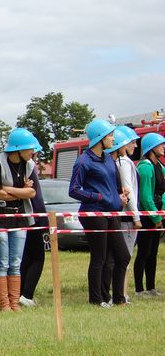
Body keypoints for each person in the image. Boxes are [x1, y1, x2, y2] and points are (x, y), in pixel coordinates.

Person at [69, 119, 130, 308]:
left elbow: (110, 187)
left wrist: (118, 197)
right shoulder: (83, 162)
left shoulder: (109, 160)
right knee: (99, 258)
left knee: (122, 256)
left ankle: (117, 298)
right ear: (99, 138)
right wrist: (98, 197)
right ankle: (97, 299)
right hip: (94, 214)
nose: (113, 138)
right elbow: (74, 190)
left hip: (111, 213)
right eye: (110, 135)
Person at [0, 128, 39, 312]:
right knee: (2, 263)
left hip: (19, 218)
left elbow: (31, 193)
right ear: (18, 149)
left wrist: (9, 190)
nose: (33, 152)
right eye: (30, 149)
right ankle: (4, 305)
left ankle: (14, 304)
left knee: (15, 263)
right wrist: (20, 191)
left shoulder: (29, 165)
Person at [107, 126, 141, 302]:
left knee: (121, 258)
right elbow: (130, 191)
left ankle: (121, 294)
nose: (135, 145)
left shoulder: (123, 162)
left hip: (123, 215)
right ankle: (121, 294)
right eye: (132, 142)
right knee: (124, 257)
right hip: (127, 217)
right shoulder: (124, 163)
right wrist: (136, 216)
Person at [134, 132, 165, 297]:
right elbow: (146, 197)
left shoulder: (160, 165)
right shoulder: (145, 167)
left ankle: (151, 288)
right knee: (144, 253)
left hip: (158, 213)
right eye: (161, 144)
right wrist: (156, 218)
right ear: (151, 148)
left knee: (153, 253)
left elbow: (163, 192)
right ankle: (139, 290)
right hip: (148, 216)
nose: (163, 147)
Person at [19, 164, 46, 307]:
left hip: (30, 217)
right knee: (38, 258)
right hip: (33, 218)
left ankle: (21, 294)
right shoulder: (28, 166)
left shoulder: (25, 166)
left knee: (27, 258)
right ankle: (27, 294)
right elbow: (35, 197)